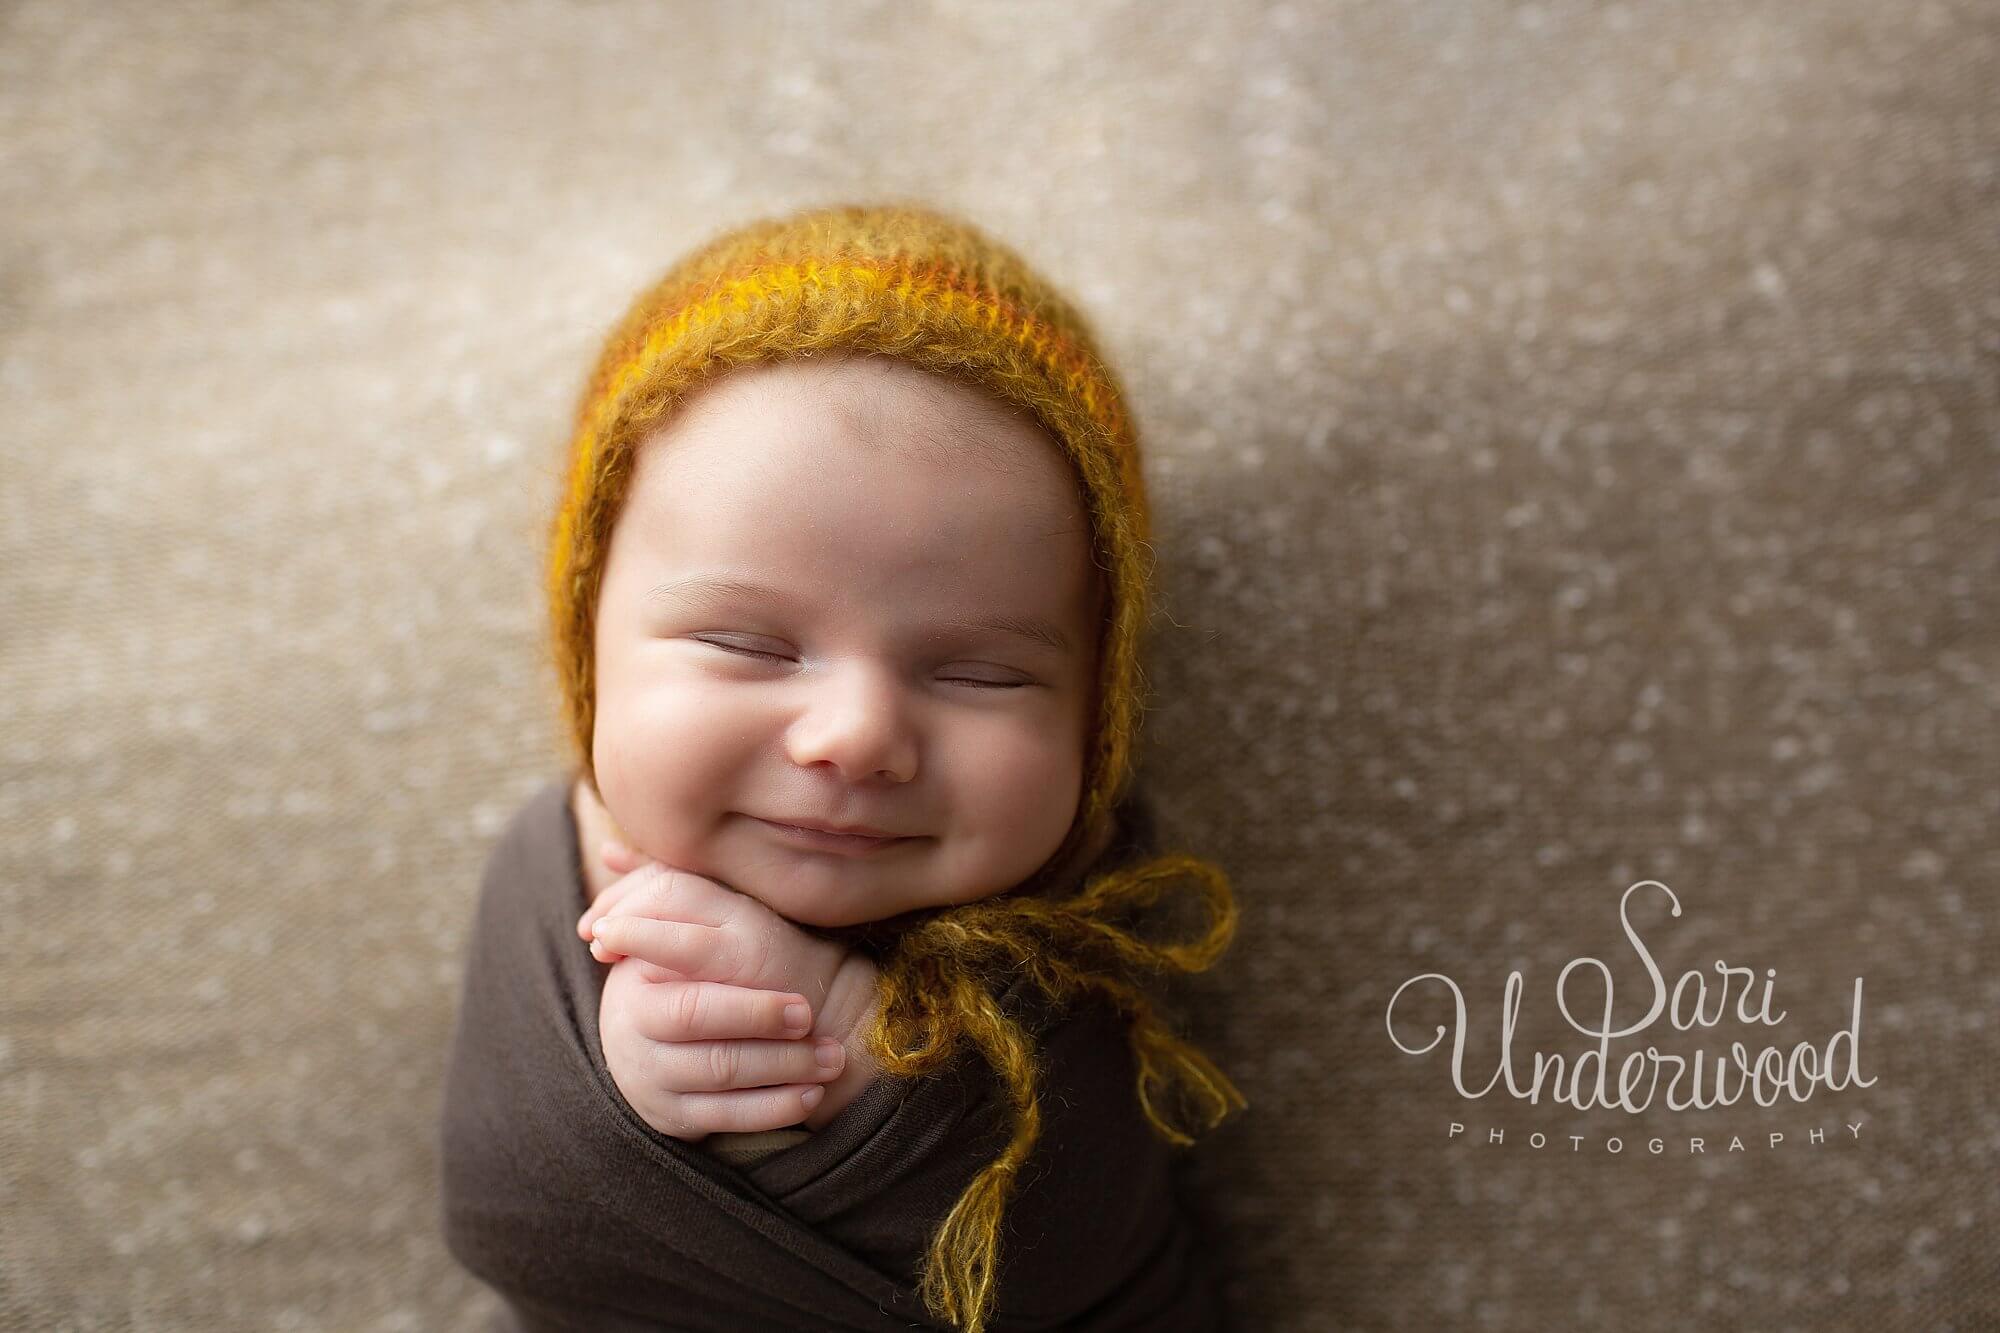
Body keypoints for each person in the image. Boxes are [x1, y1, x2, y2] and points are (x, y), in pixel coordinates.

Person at [439, 201, 1246, 1333]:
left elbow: (1080, 1236)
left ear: (1098, 709)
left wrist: (845, 1046)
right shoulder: (547, 876)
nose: (857, 733)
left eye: (981, 673)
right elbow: (505, 1206)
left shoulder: (1095, 912)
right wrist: (613, 1094)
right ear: (587, 647)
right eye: (748, 644)